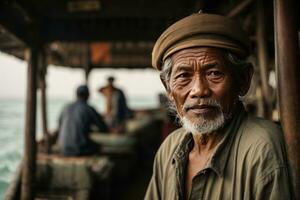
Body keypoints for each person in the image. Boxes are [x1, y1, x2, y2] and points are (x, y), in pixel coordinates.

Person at [145, 13, 292, 199]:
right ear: (168, 88)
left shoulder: (262, 148)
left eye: (214, 73)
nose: (198, 90)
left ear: (243, 81)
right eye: (183, 76)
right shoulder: (170, 148)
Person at [58, 85, 108, 156]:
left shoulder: (66, 107)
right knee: (98, 147)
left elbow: (60, 125)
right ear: (88, 95)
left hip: (63, 149)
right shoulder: (89, 109)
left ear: (76, 95)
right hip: (80, 149)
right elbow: (103, 128)